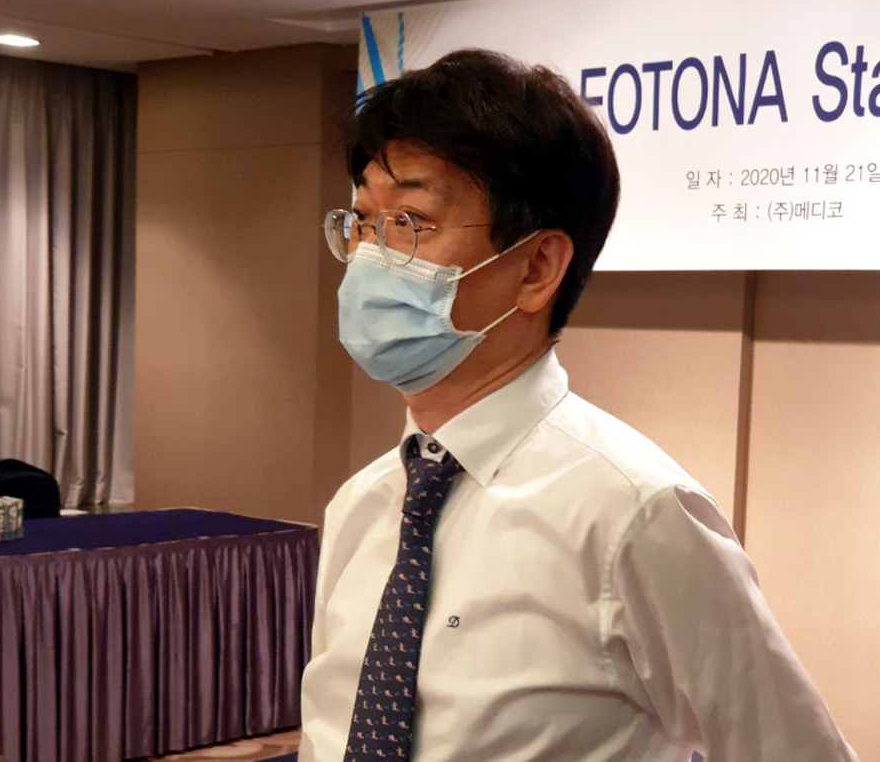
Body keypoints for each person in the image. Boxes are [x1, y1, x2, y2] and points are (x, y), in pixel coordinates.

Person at [298, 49, 858, 762]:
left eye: (410, 222)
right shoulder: (361, 505)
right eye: (362, 221)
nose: (370, 257)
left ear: (537, 268)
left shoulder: (633, 514)